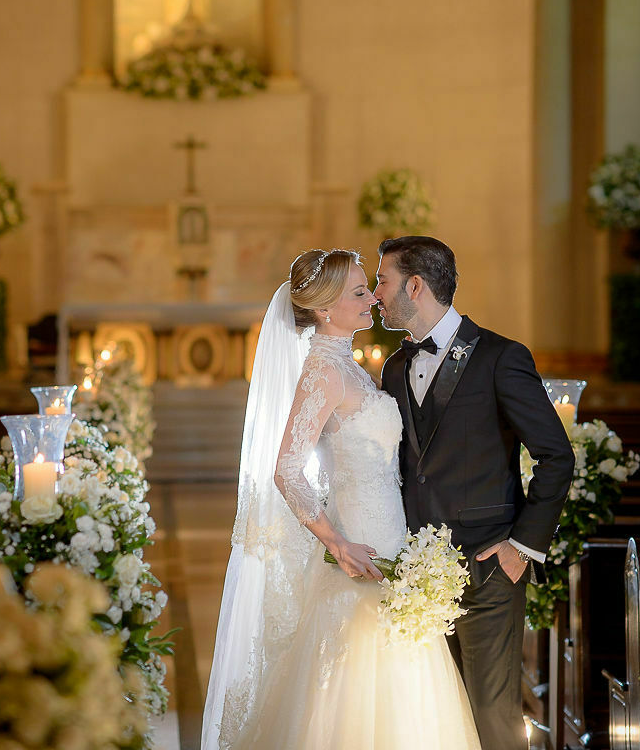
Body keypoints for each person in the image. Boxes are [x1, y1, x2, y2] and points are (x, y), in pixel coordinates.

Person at [201, 248, 481, 750]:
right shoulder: (322, 373)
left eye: (368, 288)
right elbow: (287, 470)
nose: (372, 298)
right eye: (359, 292)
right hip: (361, 551)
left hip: (394, 543)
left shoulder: (348, 366)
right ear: (326, 308)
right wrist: (337, 544)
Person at [376, 236, 575, 750]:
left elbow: (557, 456)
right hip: (415, 579)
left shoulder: (500, 357)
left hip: (488, 570)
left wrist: (522, 547)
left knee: (492, 719)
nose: (377, 294)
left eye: (383, 281)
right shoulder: (394, 368)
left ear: (414, 286)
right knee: (434, 720)